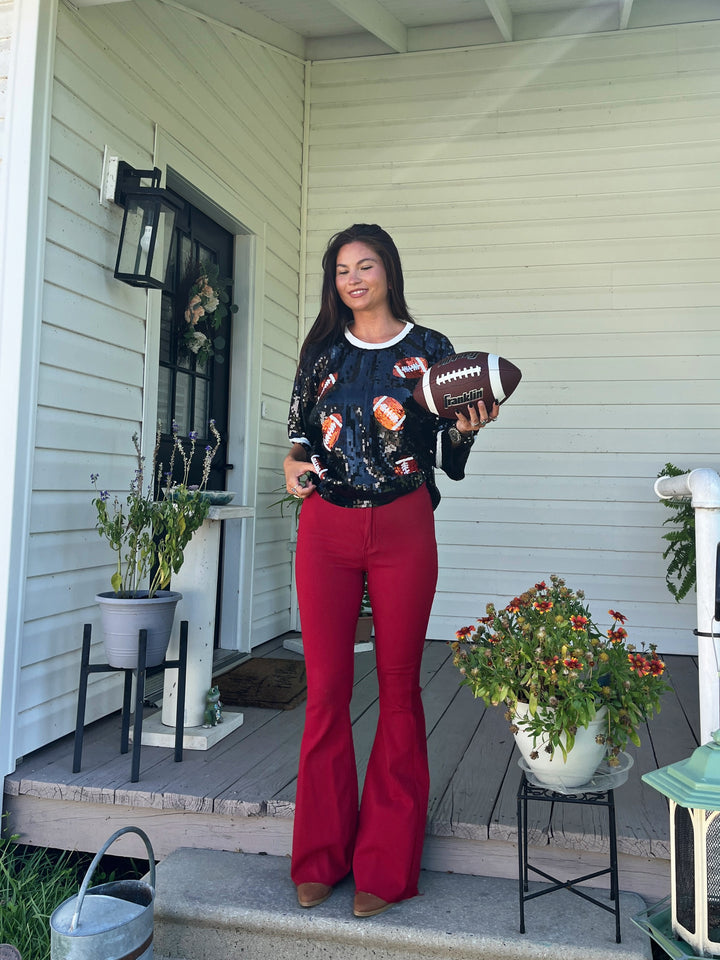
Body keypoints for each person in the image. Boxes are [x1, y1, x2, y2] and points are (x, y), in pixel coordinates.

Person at [283, 223, 499, 918]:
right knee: (327, 692)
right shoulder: (320, 353)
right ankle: (319, 857)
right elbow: (299, 440)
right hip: (327, 530)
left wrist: (468, 427)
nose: (353, 278)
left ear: (387, 271)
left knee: (400, 689)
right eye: (342, 269)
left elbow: (450, 452)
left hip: (404, 522)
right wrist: (292, 469)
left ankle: (385, 865)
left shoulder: (430, 351)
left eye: (365, 265)